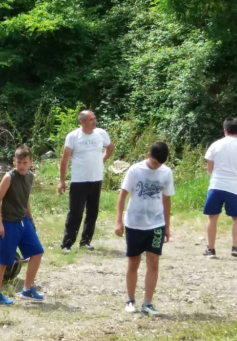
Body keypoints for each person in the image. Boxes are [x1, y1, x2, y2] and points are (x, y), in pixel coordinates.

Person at [115, 142, 174, 316]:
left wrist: (167, 226)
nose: (158, 166)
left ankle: (147, 303)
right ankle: (130, 299)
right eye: (155, 163)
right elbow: (122, 195)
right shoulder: (135, 170)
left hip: (156, 224)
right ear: (148, 156)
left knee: (154, 261)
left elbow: (167, 200)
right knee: (133, 262)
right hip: (134, 223)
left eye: (160, 164)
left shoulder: (166, 172)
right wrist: (119, 221)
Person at [0, 145, 44, 305]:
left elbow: (25, 198)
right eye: (18, 162)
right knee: (4, 260)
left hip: (23, 221)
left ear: (30, 162)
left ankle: (27, 290)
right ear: (14, 160)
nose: (21, 165)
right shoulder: (9, 177)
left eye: (24, 162)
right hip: (8, 223)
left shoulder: (30, 176)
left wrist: (31, 218)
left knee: (37, 252)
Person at [58, 110, 114, 253]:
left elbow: (110, 147)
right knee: (75, 213)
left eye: (95, 118)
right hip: (79, 180)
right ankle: (67, 244)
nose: (94, 121)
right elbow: (65, 159)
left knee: (92, 212)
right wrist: (62, 181)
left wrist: (103, 159)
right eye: (91, 119)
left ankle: (86, 241)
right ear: (82, 122)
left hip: (96, 179)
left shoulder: (101, 133)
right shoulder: (73, 136)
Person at [202, 117, 237, 259]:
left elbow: (209, 168)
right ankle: (236, 247)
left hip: (216, 185)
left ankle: (211, 249)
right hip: (235, 187)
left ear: (224, 130)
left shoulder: (215, 145)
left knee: (212, 217)